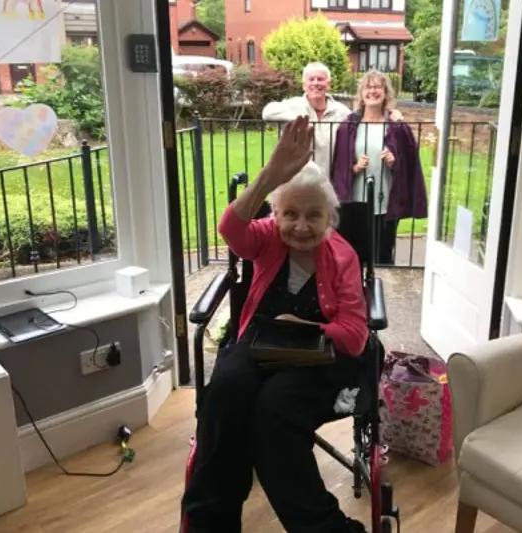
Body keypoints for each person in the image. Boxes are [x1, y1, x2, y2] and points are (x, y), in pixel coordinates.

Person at [182, 116, 370, 533]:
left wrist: (308, 327)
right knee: (226, 394)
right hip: (259, 343)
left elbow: (356, 338)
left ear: (330, 218)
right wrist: (271, 174)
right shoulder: (267, 236)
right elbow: (230, 228)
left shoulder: (342, 256)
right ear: (275, 214)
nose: (301, 226)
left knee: (273, 411)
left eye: (314, 215)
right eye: (290, 214)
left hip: (322, 357)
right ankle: (208, 524)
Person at [330, 70, 427, 265]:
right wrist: (355, 167)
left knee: (382, 255)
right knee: (353, 256)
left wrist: (393, 162)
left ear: (385, 93)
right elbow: (339, 168)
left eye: (378, 87)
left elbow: (409, 164)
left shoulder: (397, 126)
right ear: (361, 93)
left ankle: (381, 284)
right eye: (368, 87)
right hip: (355, 203)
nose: (373, 91)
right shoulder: (348, 126)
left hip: (385, 204)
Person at [262, 62, 403, 182]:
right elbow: (267, 113)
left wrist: (390, 113)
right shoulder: (292, 105)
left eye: (320, 79)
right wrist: (299, 122)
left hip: (327, 184)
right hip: (294, 182)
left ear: (328, 84)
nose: (316, 83)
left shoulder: (341, 111)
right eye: (311, 79)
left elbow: (365, 119)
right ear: (304, 85)